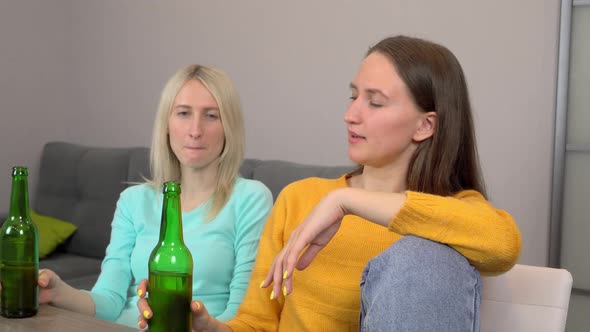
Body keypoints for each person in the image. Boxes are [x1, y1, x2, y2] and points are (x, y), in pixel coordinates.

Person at [137, 35, 522, 331]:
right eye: (353, 96)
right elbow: (256, 324)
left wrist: (348, 202)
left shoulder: (454, 216)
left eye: (374, 101)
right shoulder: (300, 198)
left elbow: (503, 245)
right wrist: (205, 327)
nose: (350, 115)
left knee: (424, 257)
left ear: (425, 125)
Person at [24, 65, 273, 328]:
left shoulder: (251, 199)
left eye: (211, 116)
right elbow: (108, 301)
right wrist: (58, 291)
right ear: (166, 124)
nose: (195, 130)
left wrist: (200, 325)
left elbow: (242, 316)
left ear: (229, 126)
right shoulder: (133, 201)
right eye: (183, 113)